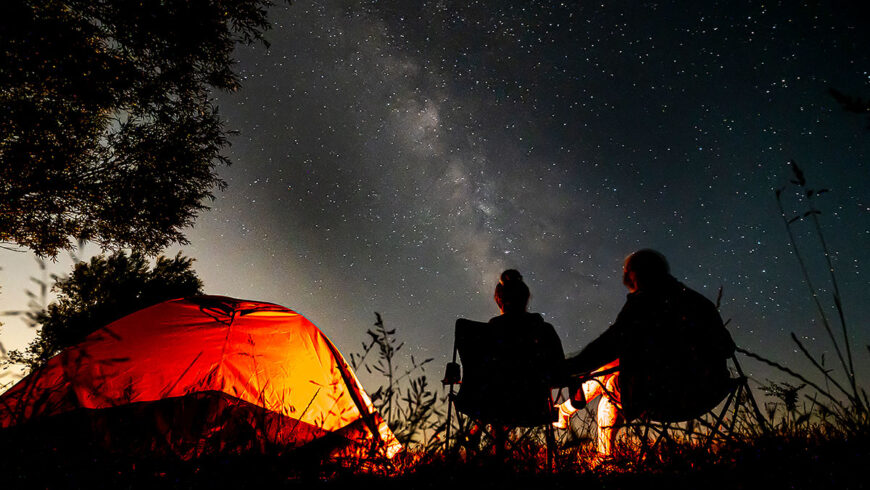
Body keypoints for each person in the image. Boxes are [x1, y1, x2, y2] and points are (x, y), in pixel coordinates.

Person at [554, 249, 736, 461]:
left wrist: (563, 370)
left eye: (626, 272)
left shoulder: (644, 303)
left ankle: (604, 458)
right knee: (613, 366)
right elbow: (728, 347)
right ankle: (566, 412)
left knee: (608, 384)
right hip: (711, 390)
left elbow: (605, 348)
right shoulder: (698, 301)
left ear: (634, 274)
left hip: (668, 397)